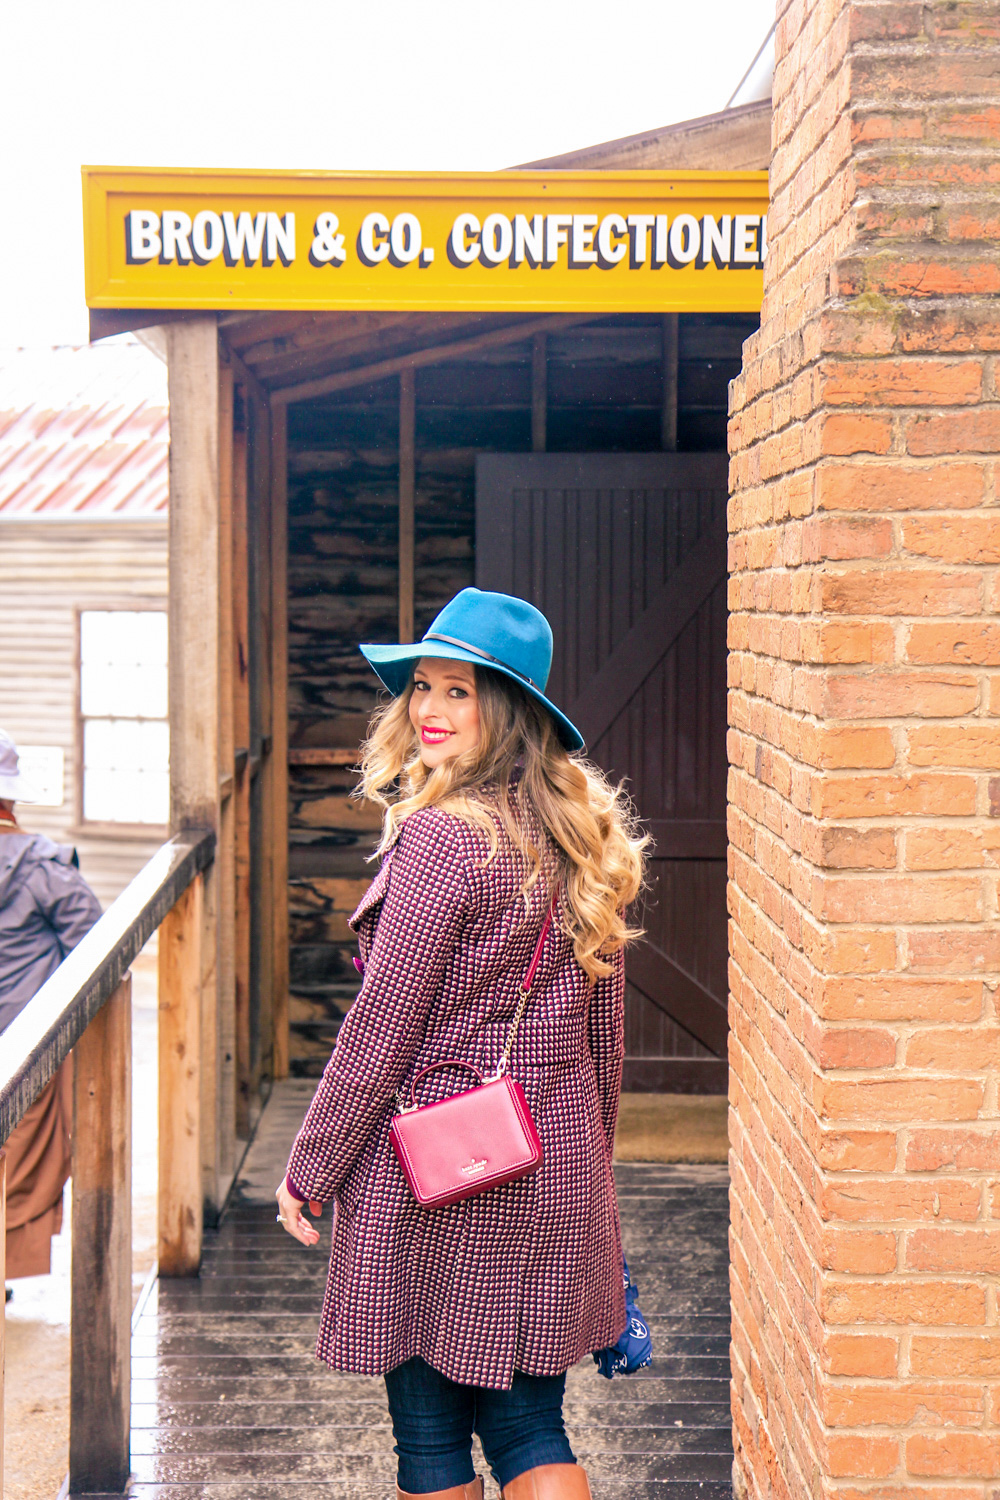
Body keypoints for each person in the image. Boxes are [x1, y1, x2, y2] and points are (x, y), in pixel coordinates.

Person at [276, 589, 647, 1500]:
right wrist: (588, 1168)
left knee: (431, 1440)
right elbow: (607, 1037)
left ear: (508, 711)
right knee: (530, 1425)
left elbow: (382, 1027)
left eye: (460, 692)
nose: (429, 712)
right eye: (423, 688)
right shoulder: (581, 835)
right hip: (550, 1158)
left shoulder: (443, 837)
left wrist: (312, 1166)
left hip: (437, 1165)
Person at [0, 730, 102, 1281]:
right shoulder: (44, 869)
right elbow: (94, 945)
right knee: (19, 1153)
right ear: (9, 798)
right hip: (23, 1041)